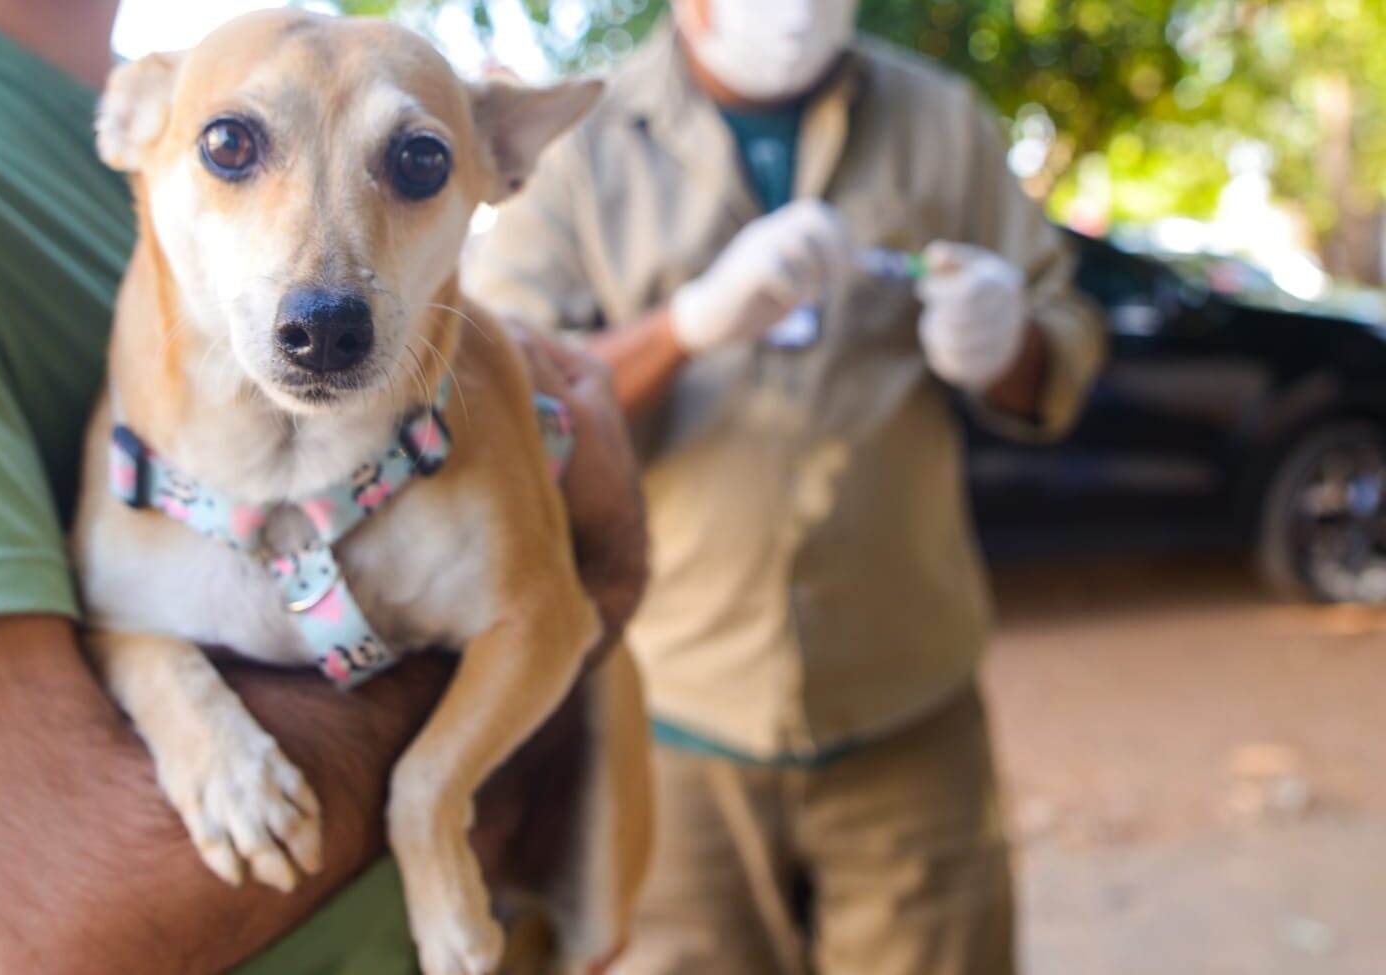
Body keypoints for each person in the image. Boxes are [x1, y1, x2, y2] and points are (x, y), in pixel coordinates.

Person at [0, 0, 646, 972]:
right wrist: (604, 563)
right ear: (130, 130)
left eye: (412, 165)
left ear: (499, 162)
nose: (327, 294)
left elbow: (543, 624)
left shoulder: (79, 92)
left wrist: (433, 797)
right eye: (237, 148)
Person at [465, 0, 1107, 972]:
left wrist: (1008, 340)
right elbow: (501, 399)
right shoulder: (572, 146)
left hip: (906, 710)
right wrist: (681, 327)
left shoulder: (943, 120)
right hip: (668, 717)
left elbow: (1065, 339)